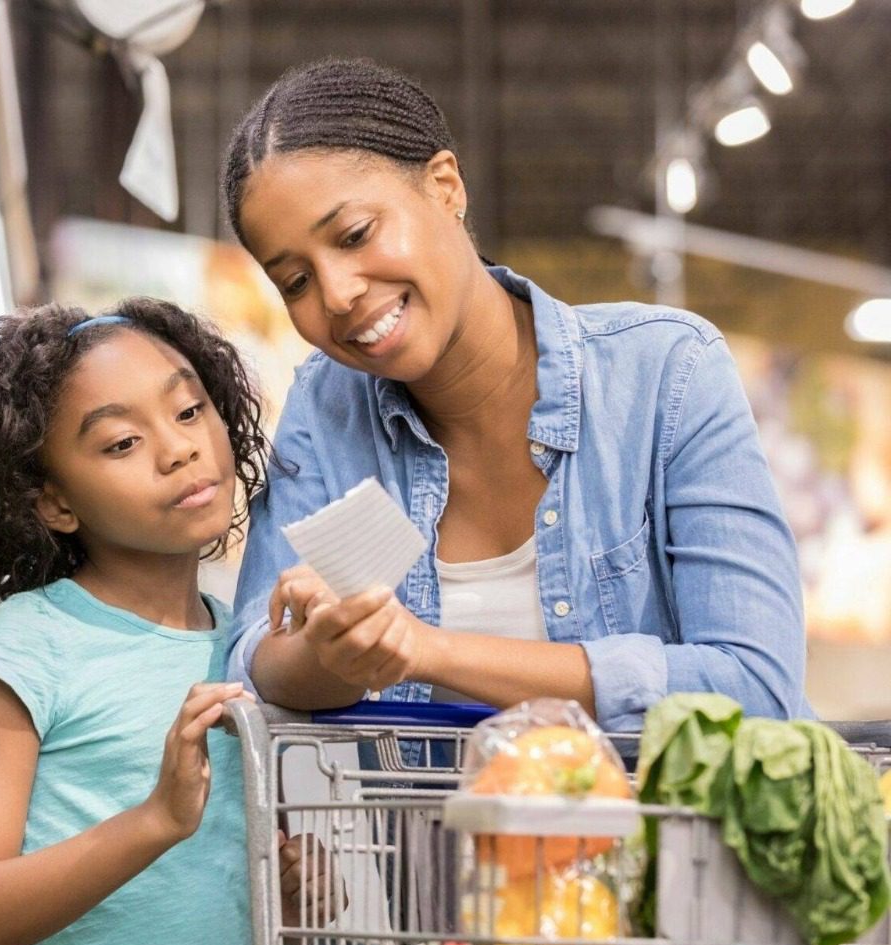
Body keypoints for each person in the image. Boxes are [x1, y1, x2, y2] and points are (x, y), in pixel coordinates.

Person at [219, 57, 810, 733]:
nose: (338, 293)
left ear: (445, 187)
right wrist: (330, 652)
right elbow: (250, 669)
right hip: (418, 842)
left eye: (355, 235)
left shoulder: (665, 375)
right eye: (294, 281)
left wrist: (428, 651)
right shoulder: (327, 411)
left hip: (661, 839)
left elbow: (754, 685)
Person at [0, 299, 322, 945]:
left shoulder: (247, 645)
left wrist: (292, 902)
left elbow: (192, 928)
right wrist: (154, 822)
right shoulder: (28, 644)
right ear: (53, 503)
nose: (178, 449)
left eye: (188, 409)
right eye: (121, 443)